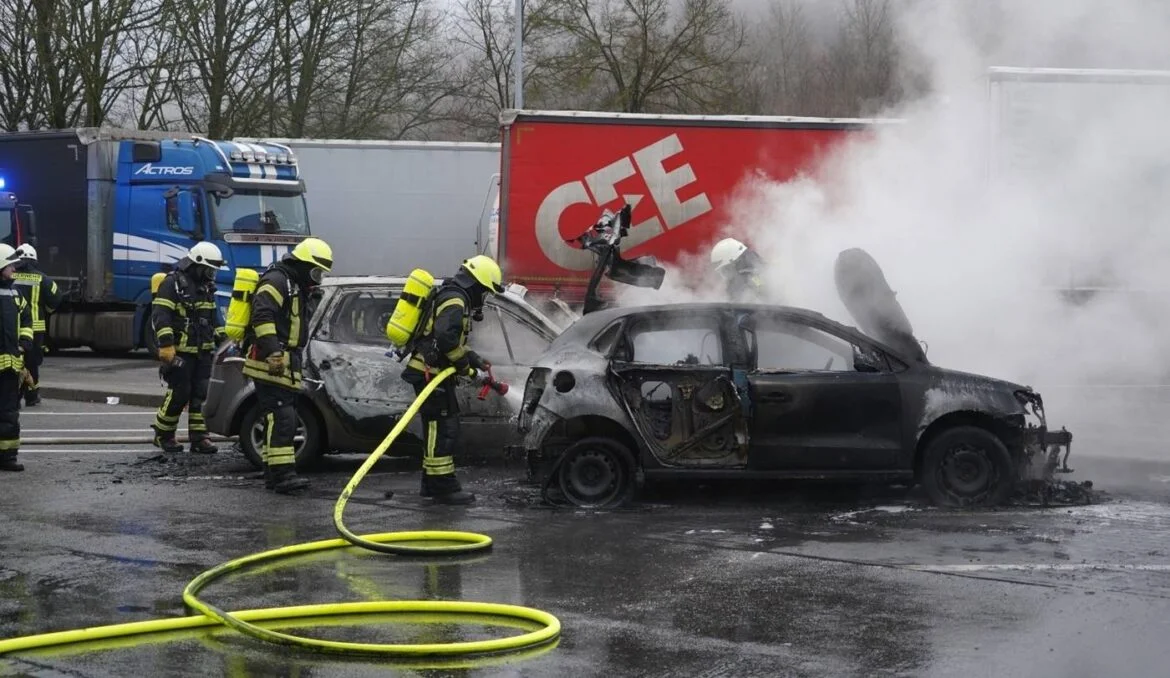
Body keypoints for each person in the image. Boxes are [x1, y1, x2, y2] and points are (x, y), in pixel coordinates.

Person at [401, 255, 504, 505]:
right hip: (431, 375)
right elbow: (446, 339)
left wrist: (475, 360)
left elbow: (451, 341)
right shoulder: (456, 300)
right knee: (443, 429)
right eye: (486, 291)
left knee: (437, 429)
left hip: (432, 373)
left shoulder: (452, 296)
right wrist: (466, 369)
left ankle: (431, 484)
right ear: (477, 284)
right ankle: (442, 487)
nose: (485, 297)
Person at [242, 237, 333, 494]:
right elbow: (262, 314)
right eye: (316, 272)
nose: (317, 278)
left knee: (278, 417)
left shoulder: (296, 285)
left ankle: (274, 473)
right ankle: (282, 476)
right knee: (283, 417)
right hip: (271, 360)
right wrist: (273, 351)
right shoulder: (277, 281)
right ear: (303, 264)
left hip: (285, 360)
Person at [151, 242, 228, 455]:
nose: (212, 274)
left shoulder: (206, 287)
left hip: (203, 351)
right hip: (180, 352)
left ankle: (199, 437)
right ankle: (163, 434)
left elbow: (213, 319)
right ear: (198, 265)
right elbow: (161, 316)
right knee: (180, 393)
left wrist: (225, 341)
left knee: (201, 394)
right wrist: (166, 345)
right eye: (209, 269)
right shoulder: (172, 284)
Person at [12, 244, 61, 407]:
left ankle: (14, 397)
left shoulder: (8, 275)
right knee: (32, 364)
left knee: (13, 363)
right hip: (35, 329)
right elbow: (56, 298)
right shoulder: (42, 279)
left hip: (12, 327)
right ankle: (32, 396)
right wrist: (47, 310)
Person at [0, 244, 34, 471]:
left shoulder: (15, 293)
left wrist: (24, 343)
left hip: (11, 368)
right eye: (10, 265)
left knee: (9, 414)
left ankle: (7, 456)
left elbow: (26, 320)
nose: (14, 269)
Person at [709, 237, 767, 301]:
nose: (725, 274)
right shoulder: (755, 270)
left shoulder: (751, 276)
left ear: (733, 262)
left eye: (726, 269)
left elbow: (761, 289)